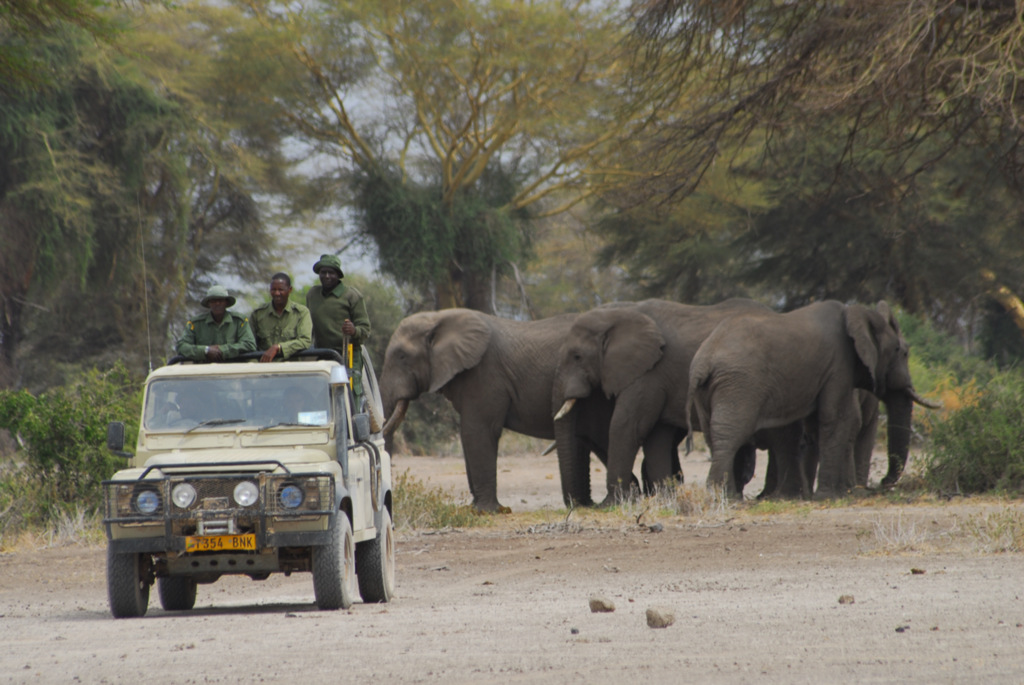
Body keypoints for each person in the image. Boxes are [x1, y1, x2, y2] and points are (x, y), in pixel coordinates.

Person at [305, 253, 371, 403]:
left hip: (348, 354)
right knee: (324, 396)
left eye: (331, 273)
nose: (327, 276)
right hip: (323, 353)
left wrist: (354, 330)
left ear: (338, 275)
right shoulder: (312, 295)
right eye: (323, 272)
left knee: (349, 396)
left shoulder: (352, 295)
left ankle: (353, 425)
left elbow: (365, 329)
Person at [175, 285, 256, 362]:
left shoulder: (239, 321)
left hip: (234, 370)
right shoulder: (195, 323)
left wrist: (223, 350)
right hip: (203, 371)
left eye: (220, 300)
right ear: (208, 303)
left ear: (226, 303)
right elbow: (181, 346)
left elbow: (249, 344)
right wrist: (206, 350)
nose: (217, 303)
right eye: (213, 300)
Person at [249, 272, 313, 363]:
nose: (277, 293)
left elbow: (305, 341)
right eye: (273, 290)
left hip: (291, 370)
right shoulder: (258, 314)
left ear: (289, 290)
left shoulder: (301, 313)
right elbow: (249, 344)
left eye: (281, 290)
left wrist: (278, 347)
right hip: (264, 370)